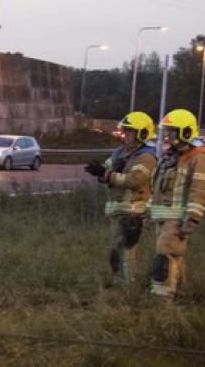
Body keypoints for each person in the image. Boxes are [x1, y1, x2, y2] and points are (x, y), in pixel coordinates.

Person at [147, 108, 205, 301]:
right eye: (167, 131)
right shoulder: (171, 157)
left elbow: (200, 190)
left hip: (177, 218)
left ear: (185, 131)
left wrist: (192, 218)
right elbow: (158, 188)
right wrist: (149, 212)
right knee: (174, 256)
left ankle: (162, 303)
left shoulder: (199, 157)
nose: (168, 135)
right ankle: (183, 295)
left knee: (164, 256)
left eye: (172, 131)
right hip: (163, 216)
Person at [85, 112, 157, 287]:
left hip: (133, 211)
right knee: (116, 251)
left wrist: (107, 175)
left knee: (125, 252)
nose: (125, 135)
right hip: (118, 210)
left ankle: (128, 288)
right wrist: (100, 172)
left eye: (130, 131)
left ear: (142, 133)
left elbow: (134, 180)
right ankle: (120, 285)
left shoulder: (146, 156)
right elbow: (107, 171)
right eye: (125, 130)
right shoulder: (119, 153)